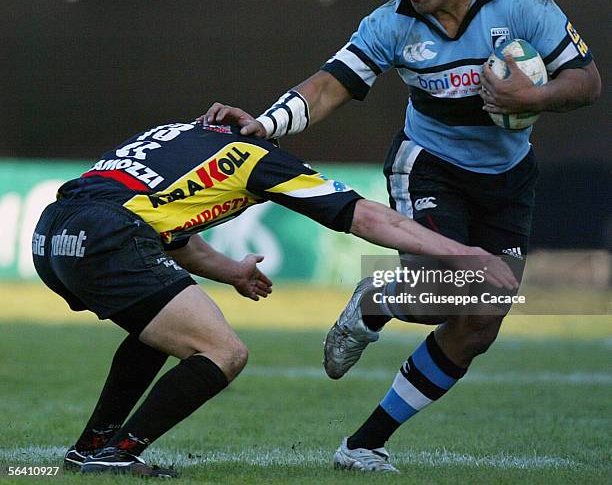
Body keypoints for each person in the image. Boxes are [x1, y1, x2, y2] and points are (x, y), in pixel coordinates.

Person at [202, 0, 601, 472]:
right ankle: (377, 298)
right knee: (447, 288)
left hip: (510, 177)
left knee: (481, 319)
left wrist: (532, 99)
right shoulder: (391, 23)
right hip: (429, 167)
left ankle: (363, 444)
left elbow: (586, 80)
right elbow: (327, 86)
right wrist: (265, 126)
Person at [32, 119, 516, 477]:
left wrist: (232, 272)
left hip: (54, 234)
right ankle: (119, 454)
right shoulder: (258, 157)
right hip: (107, 235)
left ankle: (91, 447)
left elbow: (169, 233)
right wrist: (464, 252)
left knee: (158, 330)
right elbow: (366, 217)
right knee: (222, 352)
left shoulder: (176, 135)